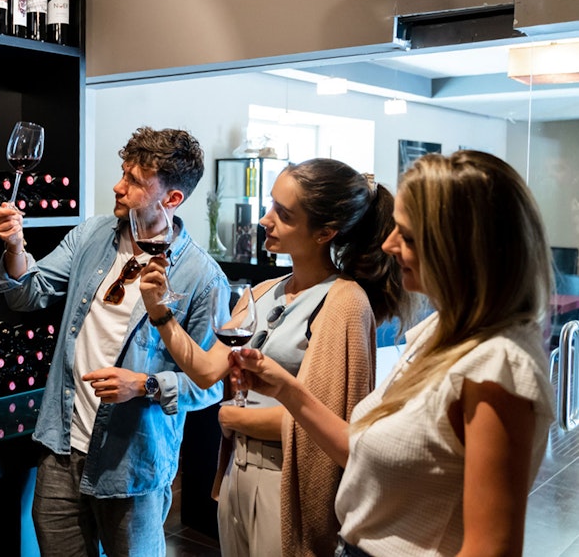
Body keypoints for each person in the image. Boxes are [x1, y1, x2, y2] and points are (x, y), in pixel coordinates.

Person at [233, 150, 555, 557]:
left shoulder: (497, 366)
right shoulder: (440, 332)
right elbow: (362, 449)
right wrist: (287, 390)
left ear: (459, 247)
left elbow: (489, 548)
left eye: (408, 235)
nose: (388, 244)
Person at [140, 158, 408, 557]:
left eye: (283, 215)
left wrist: (237, 417)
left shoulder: (345, 302)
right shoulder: (265, 290)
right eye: (270, 206)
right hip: (238, 470)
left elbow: (333, 422)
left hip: (287, 480)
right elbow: (205, 370)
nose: (265, 220)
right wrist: (160, 311)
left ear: (325, 233)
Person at [0, 126, 227, 557]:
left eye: (135, 181)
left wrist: (145, 385)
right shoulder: (92, 235)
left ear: (172, 199)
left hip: (131, 464)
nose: (118, 186)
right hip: (61, 448)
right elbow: (28, 292)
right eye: (123, 173)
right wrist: (14, 245)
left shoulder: (203, 277)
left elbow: (211, 384)